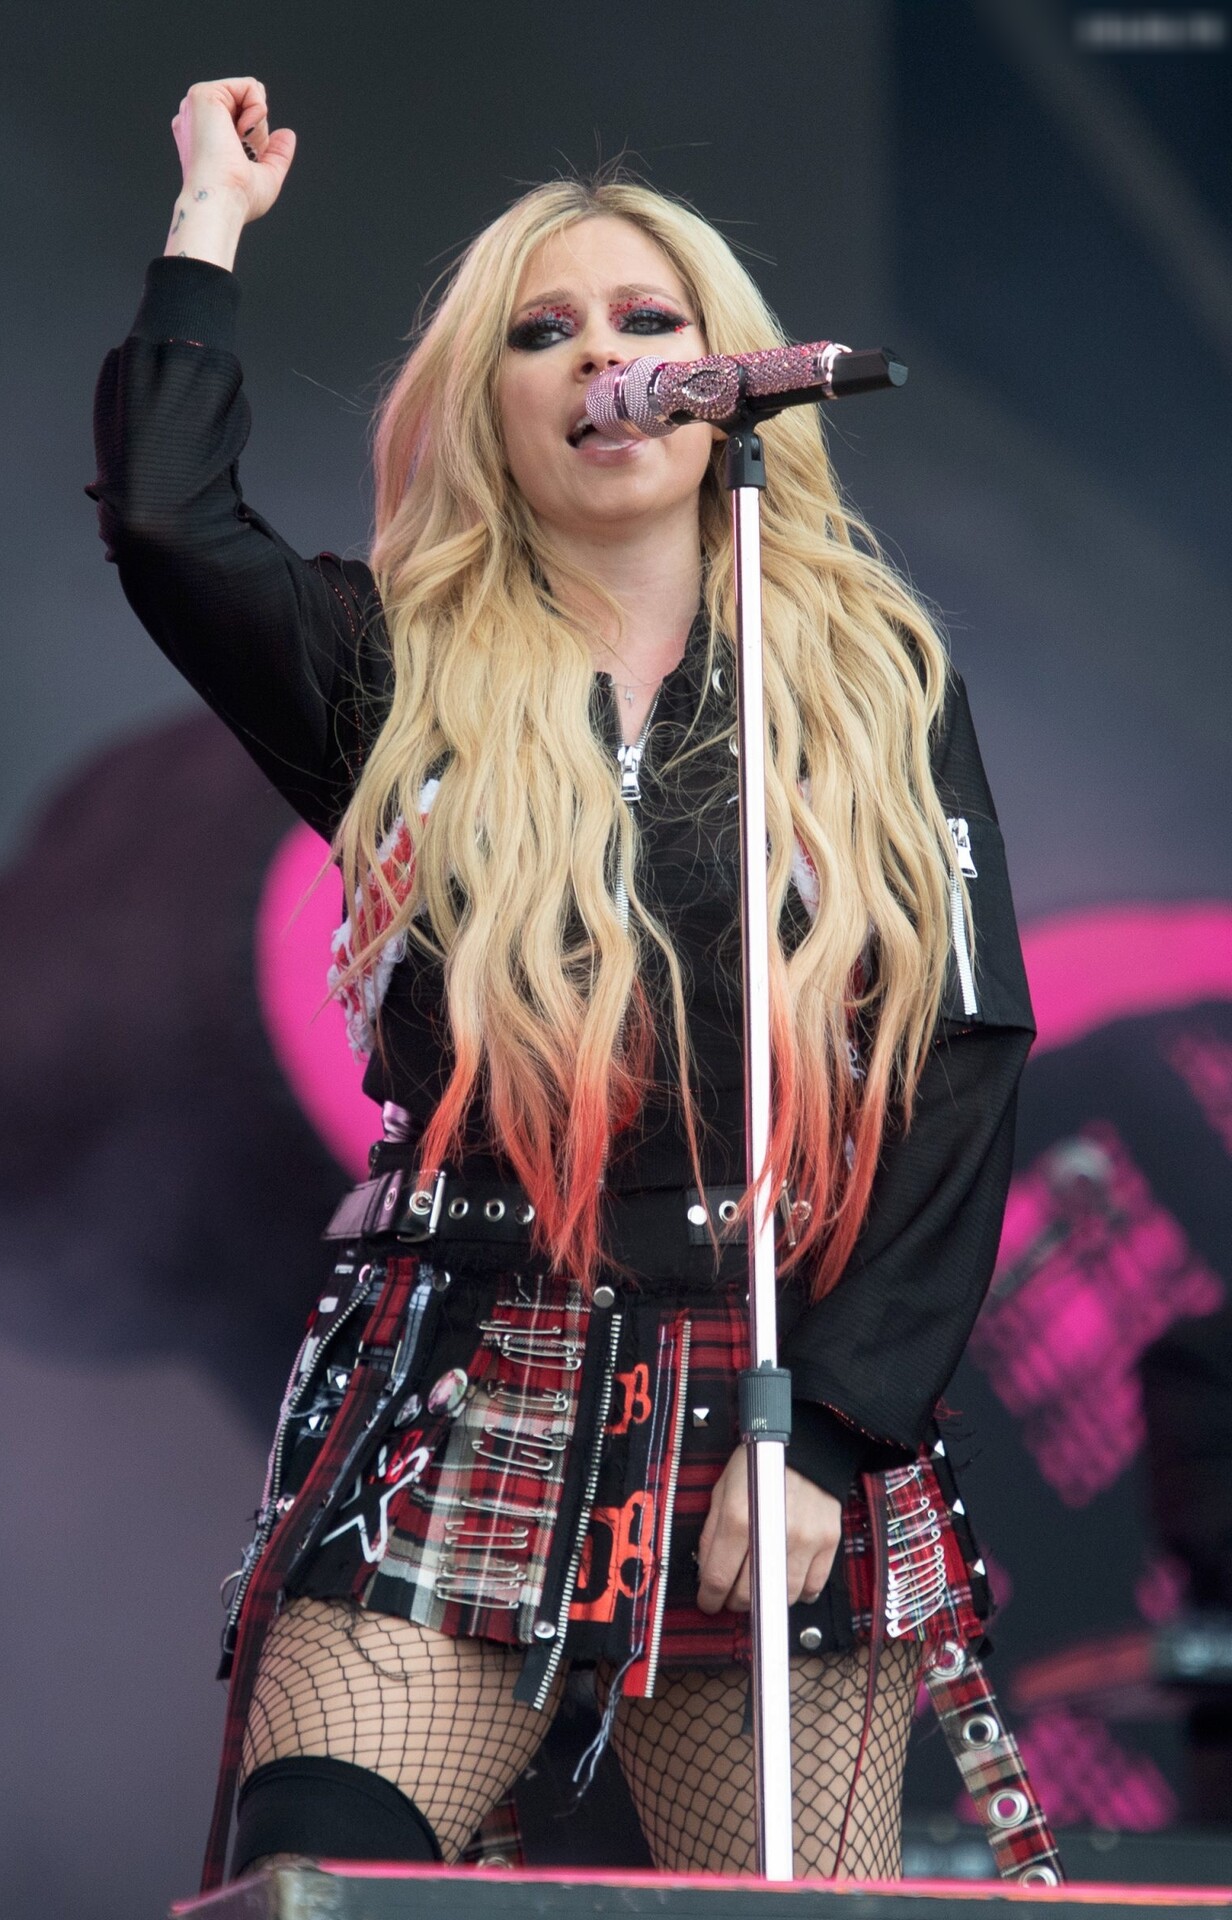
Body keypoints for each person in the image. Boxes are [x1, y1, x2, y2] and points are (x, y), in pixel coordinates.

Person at [85, 77, 1040, 1887]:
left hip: (767, 1379)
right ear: (491, 407)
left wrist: (838, 1428)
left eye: (646, 320)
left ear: (727, 377)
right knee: (324, 1874)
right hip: (471, 1363)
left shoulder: (873, 688)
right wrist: (207, 220)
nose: (604, 358)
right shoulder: (388, 667)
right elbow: (167, 527)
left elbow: (966, 1050)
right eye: (544, 332)